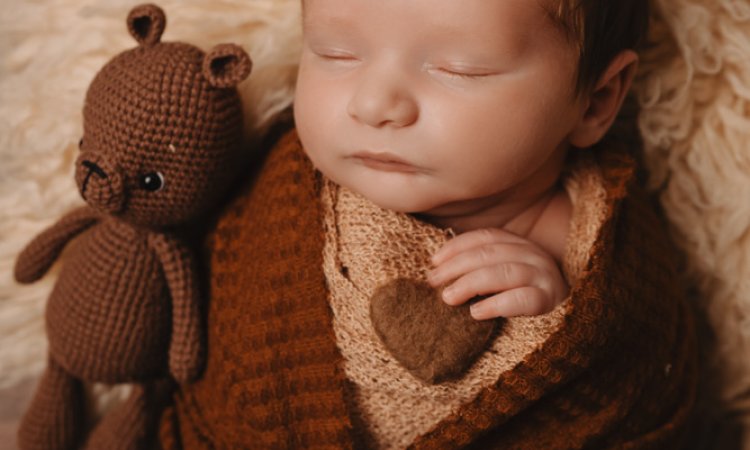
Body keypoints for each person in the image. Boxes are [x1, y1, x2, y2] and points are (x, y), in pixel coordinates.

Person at [159, 0, 698, 448]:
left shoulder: (611, 260)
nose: (374, 105)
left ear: (596, 101)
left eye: (460, 68)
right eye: (335, 53)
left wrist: (560, 322)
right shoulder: (278, 190)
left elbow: (636, 383)